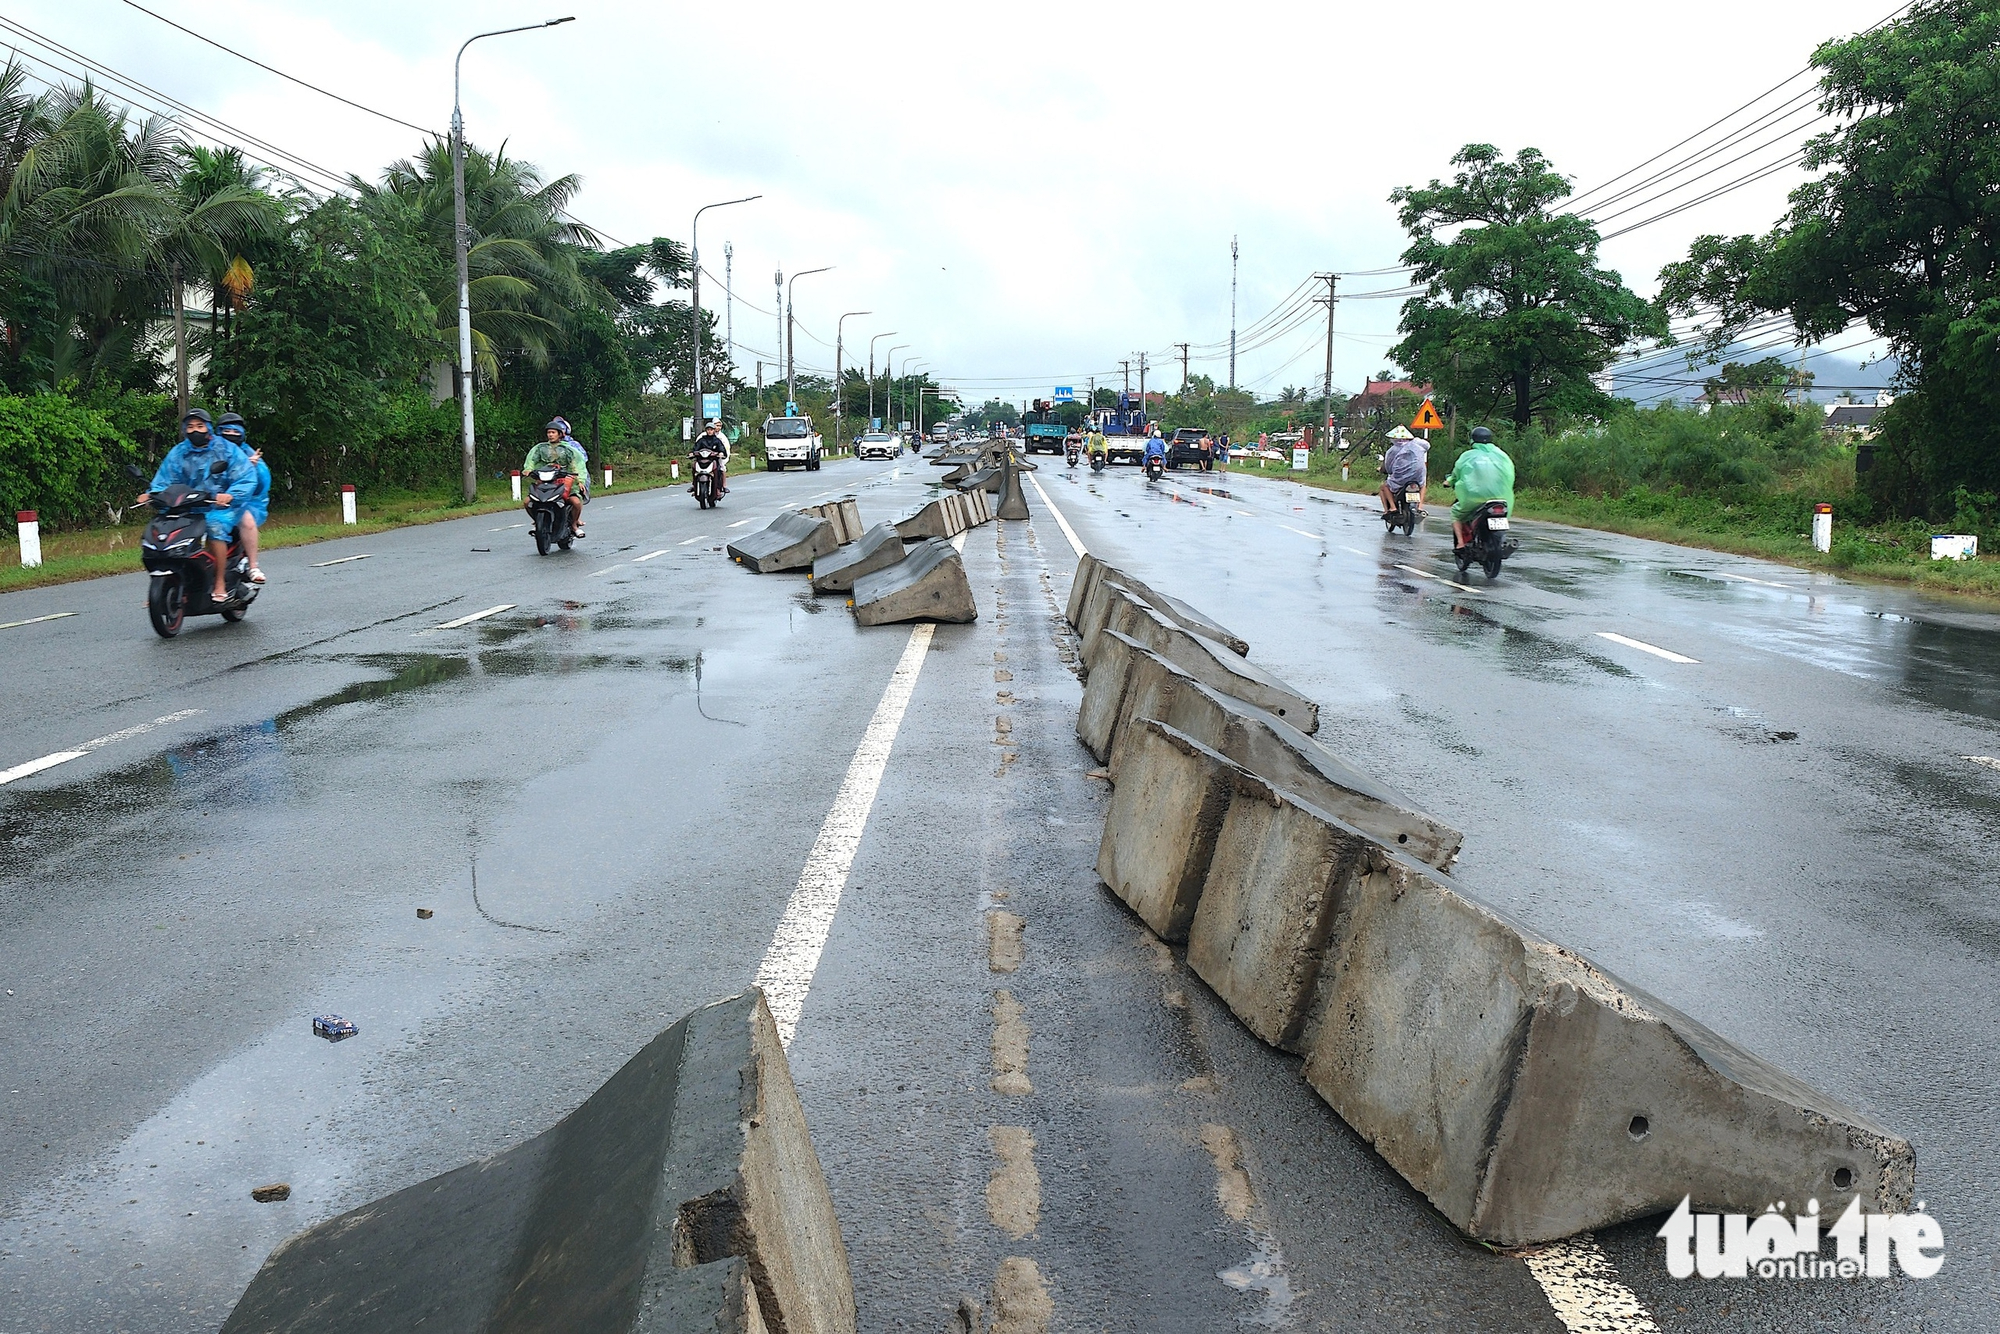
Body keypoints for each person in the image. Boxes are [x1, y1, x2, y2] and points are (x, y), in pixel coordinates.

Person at [137, 408, 252, 603]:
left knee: (214, 528)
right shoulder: (178, 452)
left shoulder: (226, 449)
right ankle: (162, 582)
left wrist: (230, 495)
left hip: (217, 507)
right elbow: (164, 478)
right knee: (159, 533)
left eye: (199, 426)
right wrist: (152, 494)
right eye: (190, 426)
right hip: (185, 507)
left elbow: (245, 476)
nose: (195, 430)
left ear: (208, 427)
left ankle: (219, 583)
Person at [216, 413, 270, 583]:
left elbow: (261, 483)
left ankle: (253, 566)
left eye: (235, 431)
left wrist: (250, 467)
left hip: (238, 502)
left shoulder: (248, 452)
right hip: (207, 500)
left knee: (246, 522)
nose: (231, 434)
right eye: (227, 431)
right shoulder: (209, 450)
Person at [1444, 426, 1516, 552]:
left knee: (1456, 514)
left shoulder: (1467, 456)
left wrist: (1449, 481)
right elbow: (1510, 474)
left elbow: (1456, 473)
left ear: (1472, 440)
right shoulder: (1502, 455)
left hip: (1474, 498)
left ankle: (1460, 544)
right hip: (1502, 497)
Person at [523, 421, 589, 537]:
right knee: (527, 501)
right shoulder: (540, 448)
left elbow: (577, 464)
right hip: (545, 481)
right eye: (549, 432)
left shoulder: (568, 449)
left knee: (576, 502)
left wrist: (580, 481)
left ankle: (574, 524)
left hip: (565, 481)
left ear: (560, 434)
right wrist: (528, 469)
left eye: (553, 432)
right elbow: (532, 459)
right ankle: (538, 523)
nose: (550, 435)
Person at [1380, 432, 1429, 518]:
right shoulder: (1417, 443)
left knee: (1384, 487)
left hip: (1401, 477)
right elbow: (1427, 446)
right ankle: (1420, 506)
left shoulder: (1393, 450)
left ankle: (1392, 507)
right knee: (1423, 485)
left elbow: (1388, 466)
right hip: (1418, 475)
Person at [690, 419, 729, 497]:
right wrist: (692, 453)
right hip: (701, 460)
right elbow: (696, 448)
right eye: (708, 430)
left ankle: (718, 489)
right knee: (694, 467)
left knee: (719, 470)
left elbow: (722, 449)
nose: (709, 431)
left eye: (711, 430)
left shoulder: (718, 440)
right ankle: (695, 486)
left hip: (713, 460)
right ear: (706, 430)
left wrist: (721, 453)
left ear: (714, 430)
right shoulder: (701, 439)